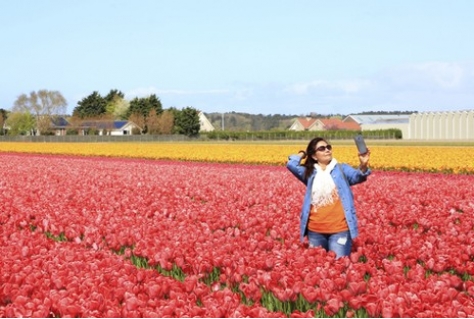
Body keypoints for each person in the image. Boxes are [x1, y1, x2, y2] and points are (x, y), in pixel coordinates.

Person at [286, 137, 371, 258]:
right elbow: (291, 164)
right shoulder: (309, 173)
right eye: (322, 148)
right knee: (317, 270)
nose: (327, 150)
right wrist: (303, 153)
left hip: (339, 230)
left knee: (338, 270)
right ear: (314, 156)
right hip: (315, 231)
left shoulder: (342, 169)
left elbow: (358, 176)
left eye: (328, 147)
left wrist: (363, 164)